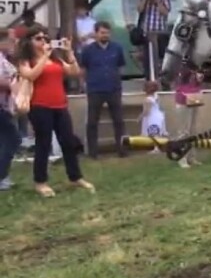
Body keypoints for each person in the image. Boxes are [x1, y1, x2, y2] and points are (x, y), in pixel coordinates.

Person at [15, 26, 93, 197]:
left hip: (60, 105)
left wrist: (69, 52)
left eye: (45, 37)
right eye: (38, 38)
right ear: (29, 42)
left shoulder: (55, 59)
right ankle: (40, 182)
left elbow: (74, 72)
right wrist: (44, 56)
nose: (43, 41)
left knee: (68, 141)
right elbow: (30, 75)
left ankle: (75, 177)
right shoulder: (27, 59)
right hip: (39, 106)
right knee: (44, 143)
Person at [80, 21, 128, 158]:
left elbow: (121, 66)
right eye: (102, 33)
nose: (105, 35)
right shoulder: (87, 50)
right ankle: (93, 153)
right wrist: (83, 84)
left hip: (114, 89)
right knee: (92, 122)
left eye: (107, 33)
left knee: (118, 121)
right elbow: (83, 69)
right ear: (96, 33)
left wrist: (118, 81)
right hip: (95, 89)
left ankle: (122, 150)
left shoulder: (117, 48)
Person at [137, 0, 171, 80]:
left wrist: (157, 2)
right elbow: (139, 10)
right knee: (148, 58)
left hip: (160, 33)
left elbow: (165, 12)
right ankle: (150, 78)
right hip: (147, 33)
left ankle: (163, 78)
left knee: (161, 57)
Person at [0, 29, 21, 190]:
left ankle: (4, 177)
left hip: (4, 106)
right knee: (13, 139)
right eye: (11, 40)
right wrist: (15, 84)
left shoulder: (5, 59)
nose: (14, 43)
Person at [174, 67, 204, 168]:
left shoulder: (195, 68)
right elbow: (178, 87)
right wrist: (187, 94)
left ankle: (192, 157)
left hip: (194, 101)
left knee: (193, 131)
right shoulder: (182, 68)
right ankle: (182, 158)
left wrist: (199, 78)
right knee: (183, 132)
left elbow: (197, 83)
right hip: (183, 103)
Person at [139, 81, 167, 154]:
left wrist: (140, 117)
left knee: (154, 133)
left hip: (152, 117)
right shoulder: (156, 97)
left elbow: (146, 111)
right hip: (159, 115)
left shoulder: (147, 100)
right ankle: (160, 146)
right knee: (157, 132)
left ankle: (156, 148)